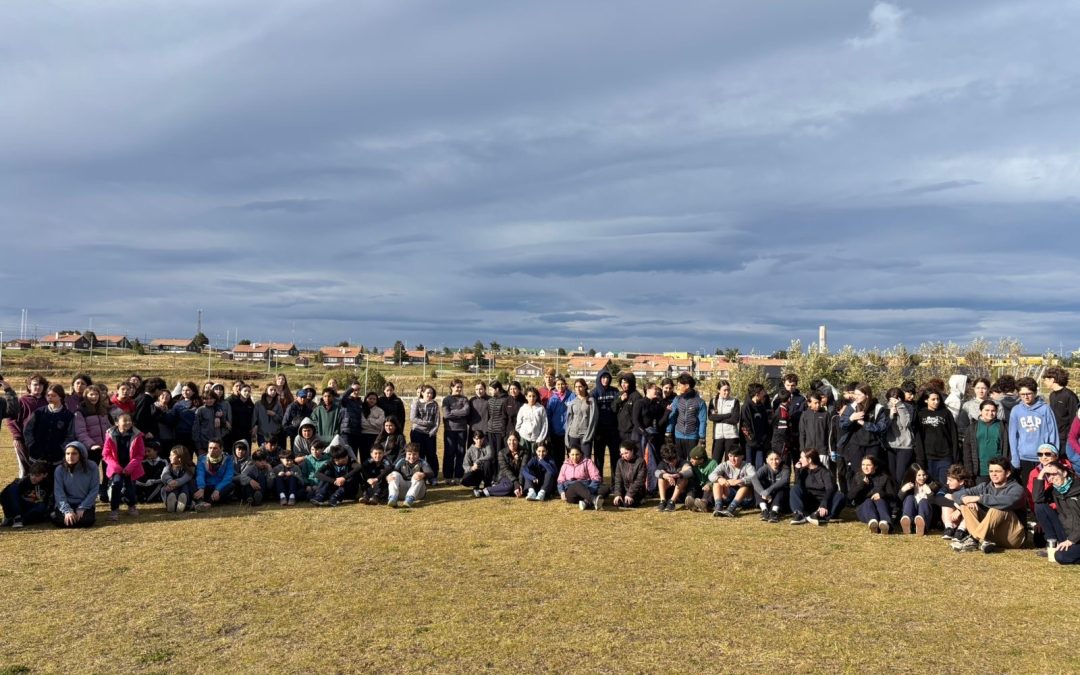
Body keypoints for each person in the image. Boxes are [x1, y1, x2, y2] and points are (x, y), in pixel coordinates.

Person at [949, 456, 1027, 553]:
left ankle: (974, 539)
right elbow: (956, 494)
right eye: (991, 471)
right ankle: (982, 541)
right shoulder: (984, 487)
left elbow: (1007, 501)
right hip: (990, 536)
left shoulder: (1017, 489)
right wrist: (965, 499)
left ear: (1007, 473)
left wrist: (979, 498)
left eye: (998, 471)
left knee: (998, 508)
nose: (993, 474)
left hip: (1013, 537)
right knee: (966, 505)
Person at [838, 384, 889, 491]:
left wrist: (864, 423)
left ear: (867, 395)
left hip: (873, 444)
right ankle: (858, 497)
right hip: (856, 445)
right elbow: (842, 425)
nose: (855, 397)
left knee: (873, 471)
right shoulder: (851, 407)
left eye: (858, 394)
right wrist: (851, 419)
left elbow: (882, 427)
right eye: (854, 394)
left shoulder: (877, 408)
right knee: (857, 471)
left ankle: (874, 493)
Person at [1009, 377, 1059, 480]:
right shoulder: (1016, 410)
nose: (1026, 397)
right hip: (1024, 457)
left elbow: (1053, 433)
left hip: (1043, 457)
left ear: (1035, 392)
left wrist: (1053, 456)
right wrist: (1015, 457)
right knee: (1027, 490)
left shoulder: (1045, 409)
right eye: (1022, 394)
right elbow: (1013, 436)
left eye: (1029, 393)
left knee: (1043, 489)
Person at [1031, 461, 1080, 564]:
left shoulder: (1078, 488)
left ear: (1064, 473)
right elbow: (1037, 499)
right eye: (1048, 475)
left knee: (1061, 557)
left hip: (1077, 536)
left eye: (1054, 474)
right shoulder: (1055, 491)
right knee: (1040, 506)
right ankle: (1052, 545)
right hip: (1065, 533)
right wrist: (1041, 473)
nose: (1051, 478)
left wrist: (1071, 540)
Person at [914, 388, 959, 487]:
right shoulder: (920, 414)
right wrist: (920, 459)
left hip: (945, 457)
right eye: (933, 399)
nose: (936, 402)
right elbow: (919, 438)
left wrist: (955, 456)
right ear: (926, 400)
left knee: (944, 485)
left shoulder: (946, 413)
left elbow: (954, 435)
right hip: (929, 457)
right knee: (931, 486)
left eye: (938, 399)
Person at [24, 384, 75, 467]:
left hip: (57, 460)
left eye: (53, 395)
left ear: (60, 397)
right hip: (36, 458)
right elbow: (28, 430)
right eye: (48, 395)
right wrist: (31, 445)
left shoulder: (68, 415)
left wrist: (61, 449)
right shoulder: (38, 412)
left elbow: (70, 435)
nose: (50, 398)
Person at [790, 448, 845, 526]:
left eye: (802, 457)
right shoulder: (803, 471)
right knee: (794, 488)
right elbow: (799, 487)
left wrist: (824, 504)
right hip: (809, 501)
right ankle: (799, 514)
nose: (799, 459)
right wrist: (797, 471)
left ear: (809, 460)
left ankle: (820, 515)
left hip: (823, 503)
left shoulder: (825, 472)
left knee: (840, 496)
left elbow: (830, 489)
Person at [8, 374, 49, 478]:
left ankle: (39, 493)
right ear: (29, 386)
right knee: (25, 469)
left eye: (40, 385)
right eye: (35, 384)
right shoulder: (22, 401)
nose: (38, 387)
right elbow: (11, 420)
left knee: (42, 469)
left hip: (43, 442)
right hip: (23, 441)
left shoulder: (47, 401)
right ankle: (22, 492)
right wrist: (17, 437)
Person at [51, 441, 99, 528]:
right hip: (67, 503)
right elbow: (59, 492)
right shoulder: (60, 469)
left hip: (84, 503)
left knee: (86, 522)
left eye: (74, 454)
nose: (70, 457)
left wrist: (82, 507)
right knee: (64, 522)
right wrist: (67, 511)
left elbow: (94, 489)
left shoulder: (92, 467)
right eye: (67, 453)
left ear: (81, 454)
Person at [665, 373, 707, 465]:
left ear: (687, 386)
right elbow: (672, 416)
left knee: (692, 462)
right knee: (679, 461)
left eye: (680, 385)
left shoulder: (700, 402)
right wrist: (668, 432)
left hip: (693, 437)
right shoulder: (677, 399)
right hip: (678, 436)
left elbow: (703, 421)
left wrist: (702, 438)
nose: (678, 387)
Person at [962, 400, 1008, 483]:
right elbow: (967, 449)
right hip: (980, 471)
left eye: (993, 411)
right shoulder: (973, 427)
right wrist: (969, 470)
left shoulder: (1003, 426)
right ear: (981, 411)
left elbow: (1008, 448)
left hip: (999, 469)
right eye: (987, 410)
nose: (990, 413)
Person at [850, 455, 897, 535]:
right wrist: (862, 485)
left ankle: (886, 524)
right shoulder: (858, 476)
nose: (865, 467)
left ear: (875, 466)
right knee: (868, 501)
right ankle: (873, 523)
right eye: (863, 465)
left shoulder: (885, 477)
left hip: (881, 508)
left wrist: (882, 494)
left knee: (880, 500)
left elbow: (893, 496)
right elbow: (850, 496)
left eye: (868, 465)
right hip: (864, 509)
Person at [0, 460, 53, 528]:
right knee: (12, 488)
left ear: (45, 475)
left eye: (37, 476)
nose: (33, 477)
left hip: (32, 509)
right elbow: (4, 496)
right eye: (32, 474)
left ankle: (19, 519)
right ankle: (16, 517)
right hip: (19, 506)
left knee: (41, 506)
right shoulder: (23, 482)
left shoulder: (48, 485)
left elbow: (47, 502)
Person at [557, 446, 609, 511]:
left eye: (577, 454)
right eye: (572, 455)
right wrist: (561, 492)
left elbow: (596, 477)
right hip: (572, 492)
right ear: (569, 454)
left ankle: (586, 503)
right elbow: (560, 481)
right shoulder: (565, 465)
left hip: (587, 487)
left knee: (605, 488)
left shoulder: (588, 462)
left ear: (581, 454)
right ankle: (593, 499)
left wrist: (589, 490)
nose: (575, 457)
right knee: (577, 484)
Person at [709, 447, 756, 517]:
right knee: (716, 482)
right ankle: (718, 507)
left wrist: (739, 481)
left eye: (736, 456)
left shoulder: (748, 466)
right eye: (730, 456)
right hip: (729, 495)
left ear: (742, 456)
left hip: (744, 499)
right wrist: (719, 479)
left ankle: (731, 509)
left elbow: (754, 477)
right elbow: (711, 475)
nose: (732, 459)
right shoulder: (724, 465)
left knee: (745, 485)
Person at [591, 370, 620, 481]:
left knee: (615, 457)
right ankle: (599, 481)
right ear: (599, 378)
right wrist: (595, 431)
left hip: (613, 431)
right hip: (599, 432)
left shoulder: (615, 391)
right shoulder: (594, 393)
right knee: (599, 459)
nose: (605, 380)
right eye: (603, 378)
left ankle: (615, 483)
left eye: (607, 378)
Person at [410, 385, 441, 485]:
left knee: (432, 455)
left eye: (431, 393)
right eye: (428, 392)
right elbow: (413, 418)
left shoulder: (435, 404)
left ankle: (433, 477)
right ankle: (420, 476)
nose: (430, 395)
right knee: (419, 455)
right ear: (422, 393)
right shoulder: (417, 403)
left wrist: (432, 432)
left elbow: (437, 421)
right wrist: (426, 423)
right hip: (417, 433)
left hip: (430, 434)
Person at [441, 379, 471, 485]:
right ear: (452, 387)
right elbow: (446, 415)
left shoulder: (464, 399)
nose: (459, 389)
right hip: (450, 430)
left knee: (461, 453)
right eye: (457, 387)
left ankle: (458, 475)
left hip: (462, 430)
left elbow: (466, 411)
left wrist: (453, 411)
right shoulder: (446, 400)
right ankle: (448, 476)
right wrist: (460, 413)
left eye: (460, 387)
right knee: (449, 453)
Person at [386, 443, 434, 508]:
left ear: (418, 454)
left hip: (417, 493)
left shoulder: (422, 462)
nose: (412, 457)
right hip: (402, 491)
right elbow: (392, 471)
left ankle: (409, 499)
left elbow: (431, 474)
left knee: (417, 474)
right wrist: (388, 477)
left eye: (414, 454)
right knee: (394, 474)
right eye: (409, 454)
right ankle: (393, 497)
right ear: (406, 454)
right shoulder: (401, 461)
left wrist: (423, 474)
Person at [480, 432, 526, 498]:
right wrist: (515, 482)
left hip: (520, 476)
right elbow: (505, 469)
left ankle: (501, 489)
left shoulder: (524, 452)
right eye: (509, 440)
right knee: (509, 486)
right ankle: (486, 491)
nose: (512, 443)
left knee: (524, 488)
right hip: (505, 476)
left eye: (514, 440)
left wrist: (519, 484)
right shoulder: (502, 453)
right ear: (507, 441)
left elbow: (523, 468)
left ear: (518, 441)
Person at [193, 440, 235, 512]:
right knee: (193, 482)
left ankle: (206, 503)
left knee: (231, 485)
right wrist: (201, 488)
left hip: (219, 488)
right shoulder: (202, 459)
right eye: (210, 448)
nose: (212, 450)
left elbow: (228, 477)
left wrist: (217, 490)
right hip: (206, 487)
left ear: (221, 449)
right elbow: (200, 475)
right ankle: (201, 502)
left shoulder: (228, 459)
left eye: (215, 448)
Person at [884, 386, 916, 481]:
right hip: (890, 445)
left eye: (896, 400)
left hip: (905, 446)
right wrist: (890, 414)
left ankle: (901, 494)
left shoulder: (908, 407)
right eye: (891, 400)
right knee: (891, 476)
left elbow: (905, 423)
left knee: (900, 475)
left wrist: (900, 406)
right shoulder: (885, 408)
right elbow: (884, 426)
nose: (893, 402)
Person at [935, 464, 973, 541]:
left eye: (950, 480)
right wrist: (954, 504)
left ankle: (961, 531)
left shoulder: (970, 489)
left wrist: (959, 510)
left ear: (961, 482)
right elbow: (938, 499)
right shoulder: (947, 487)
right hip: (951, 519)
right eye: (947, 479)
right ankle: (949, 529)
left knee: (970, 504)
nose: (947, 482)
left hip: (965, 520)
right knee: (947, 497)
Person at [1044, 367, 1078, 454]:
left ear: (1052, 380)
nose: (1044, 382)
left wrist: (1071, 438)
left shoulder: (1069, 395)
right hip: (1054, 437)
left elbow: (1075, 419)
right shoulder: (1052, 395)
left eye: (1046, 380)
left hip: (1066, 440)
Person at [739, 383, 772, 474]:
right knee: (749, 467)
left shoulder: (761, 406)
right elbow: (745, 427)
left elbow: (765, 424)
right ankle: (750, 487)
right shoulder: (746, 407)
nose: (764, 393)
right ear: (757, 394)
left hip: (761, 443)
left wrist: (764, 438)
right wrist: (752, 440)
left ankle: (759, 487)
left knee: (759, 466)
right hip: (750, 443)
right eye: (762, 392)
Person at [751, 450, 790, 523]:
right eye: (771, 459)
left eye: (776, 459)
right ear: (767, 460)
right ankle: (764, 510)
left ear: (780, 459)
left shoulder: (785, 468)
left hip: (780, 499)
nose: (774, 462)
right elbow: (754, 478)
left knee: (781, 488)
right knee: (758, 485)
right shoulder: (765, 468)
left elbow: (784, 481)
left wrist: (768, 491)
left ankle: (774, 512)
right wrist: (763, 492)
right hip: (766, 498)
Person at [708, 380, 742, 463]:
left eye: (728, 390)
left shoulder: (735, 401)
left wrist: (719, 419)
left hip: (731, 436)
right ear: (718, 390)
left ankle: (729, 476)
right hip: (718, 436)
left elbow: (735, 419)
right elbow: (711, 417)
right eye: (724, 390)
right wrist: (727, 415)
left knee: (730, 462)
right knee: (715, 462)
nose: (727, 392)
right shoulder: (713, 401)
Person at [898, 464, 937, 535]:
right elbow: (899, 501)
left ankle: (921, 525)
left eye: (924, 475)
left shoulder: (932, 485)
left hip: (925, 516)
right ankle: (907, 521)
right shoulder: (909, 485)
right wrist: (903, 490)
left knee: (923, 501)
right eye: (919, 475)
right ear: (913, 476)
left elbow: (934, 504)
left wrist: (929, 492)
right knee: (909, 498)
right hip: (912, 514)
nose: (922, 477)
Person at [565, 379, 598, 462]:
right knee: (573, 460)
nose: (578, 389)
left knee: (586, 460)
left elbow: (593, 419)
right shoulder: (572, 402)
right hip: (573, 434)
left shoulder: (591, 401)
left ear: (585, 387)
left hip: (585, 435)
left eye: (580, 386)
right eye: (576, 387)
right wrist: (567, 436)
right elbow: (569, 420)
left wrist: (589, 435)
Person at [614, 373, 643, 462]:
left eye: (626, 382)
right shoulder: (620, 394)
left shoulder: (636, 396)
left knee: (631, 455)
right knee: (622, 456)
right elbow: (613, 409)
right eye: (622, 382)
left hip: (631, 432)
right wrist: (620, 400)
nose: (623, 384)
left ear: (631, 383)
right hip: (620, 431)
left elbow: (637, 416)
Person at [653, 444, 691, 512]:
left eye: (672, 461)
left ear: (676, 456)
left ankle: (672, 502)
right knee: (661, 477)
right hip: (669, 490)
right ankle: (662, 501)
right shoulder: (663, 463)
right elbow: (656, 472)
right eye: (668, 461)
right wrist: (665, 475)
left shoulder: (683, 462)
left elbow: (689, 471)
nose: (670, 463)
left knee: (683, 478)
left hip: (681, 492)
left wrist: (679, 475)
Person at [160, 446, 195, 513]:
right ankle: (171, 503)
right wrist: (169, 481)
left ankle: (183, 502)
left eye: (171, 455)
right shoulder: (168, 467)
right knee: (170, 492)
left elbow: (186, 478)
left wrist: (176, 483)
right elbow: (164, 475)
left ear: (179, 458)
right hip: (171, 488)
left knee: (185, 486)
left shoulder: (190, 468)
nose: (169, 457)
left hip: (184, 488)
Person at [192, 389, 228, 455]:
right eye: (206, 399)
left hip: (217, 443)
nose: (209, 401)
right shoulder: (200, 410)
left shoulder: (219, 409)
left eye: (211, 398)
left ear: (215, 399)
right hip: (204, 444)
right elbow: (196, 429)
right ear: (203, 400)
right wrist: (199, 446)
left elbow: (224, 425)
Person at [544, 377, 570, 467]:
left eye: (562, 384)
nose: (560, 386)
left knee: (571, 455)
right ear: (555, 386)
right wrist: (549, 432)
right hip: (555, 432)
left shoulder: (571, 396)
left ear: (565, 385)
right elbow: (548, 415)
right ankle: (557, 477)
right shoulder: (552, 399)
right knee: (557, 456)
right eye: (558, 384)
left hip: (568, 432)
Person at [515, 387, 548, 456]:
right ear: (526, 397)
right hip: (524, 439)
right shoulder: (523, 408)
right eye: (529, 396)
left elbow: (544, 425)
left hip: (536, 439)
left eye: (533, 396)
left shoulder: (541, 408)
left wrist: (540, 439)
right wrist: (522, 434)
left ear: (536, 397)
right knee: (524, 457)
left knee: (535, 458)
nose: (532, 398)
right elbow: (518, 425)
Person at [611, 441, 646, 508]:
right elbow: (618, 480)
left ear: (632, 451)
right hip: (624, 489)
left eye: (626, 453)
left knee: (627, 504)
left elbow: (640, 481)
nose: (624, 456)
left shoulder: (640, 461)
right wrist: (618, 494)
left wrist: (630, 494)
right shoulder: (620, 462)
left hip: (637, 491)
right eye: (622, 454)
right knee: (617, 502)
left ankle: (641, 499)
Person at [684, 445, 718, 513]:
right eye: (690, 458)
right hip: (697, 487)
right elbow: (685, 467)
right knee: (691, 484)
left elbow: (716, 477)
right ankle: (690, 500)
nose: (691, 460)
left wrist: (709, 485)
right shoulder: (691, 464)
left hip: (707, 489)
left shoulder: (712, 464)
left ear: (701, 460)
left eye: (693, 459)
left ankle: (704, 503)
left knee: (709, 488)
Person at [254, 384, 284, 452]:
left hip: (274, 434)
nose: (273, 391)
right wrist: (254, 429)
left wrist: (274, 414)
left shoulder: (278, 404)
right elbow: (255, 418)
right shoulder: (258, 404)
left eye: (274, 390)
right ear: (266, 391)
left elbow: (281, 419)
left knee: (273, 451)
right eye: (271, 390)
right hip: (262, 433)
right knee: (263, 452)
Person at [799, 392, 828, 462]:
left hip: (822, 452)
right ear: (809, 403)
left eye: (819, 402)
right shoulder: (804, 415)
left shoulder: (825, 415)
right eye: (815, 403)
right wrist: (803, 450)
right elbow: (802, 434)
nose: (818, 405)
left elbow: (829, 433)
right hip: (808, 452)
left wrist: (828, 450)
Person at [485, 381, 510, 455]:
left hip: (500, 431)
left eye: (491, 389)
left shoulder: (505, 400)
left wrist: (504, 431)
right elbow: (489, 415)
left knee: (500, 453)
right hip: (490, 430)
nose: (489, 392)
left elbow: (506, 417)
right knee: (492, 453)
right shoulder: (490, 400)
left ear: (497, 389)